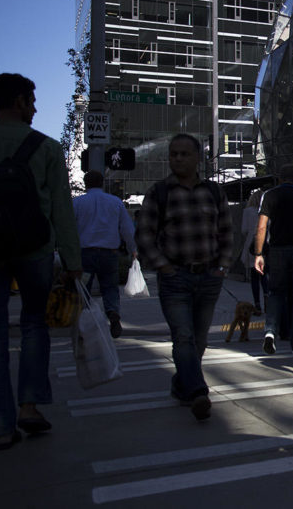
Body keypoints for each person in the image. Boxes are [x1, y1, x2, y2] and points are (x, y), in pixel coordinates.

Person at [0, 73, 82, 451]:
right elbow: (63, 212)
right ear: (19, 101)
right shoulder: (46, 147)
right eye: (32, 102)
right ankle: (29, 407)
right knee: (35, 323)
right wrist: (72, 260)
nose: (35, 109)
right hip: (34, 250)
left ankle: (1, 427)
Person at [136, 133, 232, 422]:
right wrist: (163, 267)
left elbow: (226, 232)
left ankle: (181, 384)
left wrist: (222, 267)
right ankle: (197, 392)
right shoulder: (159, 192)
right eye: (173, 154)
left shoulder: (214, 192)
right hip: (175, 277)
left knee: (199, 339)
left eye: (184, 154)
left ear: (197, 158)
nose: (177, 159)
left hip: (209, 277)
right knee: (184, 336)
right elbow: (144, 235)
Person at [254, 165, 293, 354]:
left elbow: (262, 227)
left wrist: (258, 253)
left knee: (276, 293)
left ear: (280, 178)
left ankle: (270, 332)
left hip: (278, 249)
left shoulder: (270, 196)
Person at [73, 170, 137, 338]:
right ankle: (113, 312)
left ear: (85, 183)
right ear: (102, 183)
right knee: (110, 287)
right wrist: (133, 250)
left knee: (84, 289)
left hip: (85, 254)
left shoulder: (77, 203)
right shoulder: (114, 202)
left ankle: (84, 319)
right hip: (109, 253)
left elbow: (69, 229)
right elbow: (127, 229)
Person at [238, 189, 267, 316]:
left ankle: (257, 304)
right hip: (265, 243)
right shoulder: (267, 210)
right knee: (265, 275)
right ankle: (267, 299)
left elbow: (244, 230)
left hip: (252, 245)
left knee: (254, 277)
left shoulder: (248, 211)